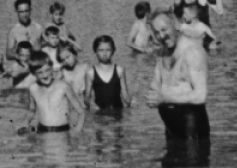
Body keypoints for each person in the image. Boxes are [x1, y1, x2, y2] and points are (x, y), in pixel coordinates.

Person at [146, 11, 209, 144]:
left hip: (192, 129)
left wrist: (164, 98)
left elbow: (201, 96)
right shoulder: (162, 53)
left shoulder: (193, 51)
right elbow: (155, 85)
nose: (161, 36)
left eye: (164, 29)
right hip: (170, 127)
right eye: (157, 33)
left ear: (175, 24)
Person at [22, 50, 86, 133]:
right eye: (40, 72)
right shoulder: (33, 88)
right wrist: (25, 123)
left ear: (52, 67)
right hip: (42, 131)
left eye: (47, 70)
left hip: (62, 131)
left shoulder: (63, 86)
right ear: (33, 73)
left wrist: (78, 129)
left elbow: (81, 111)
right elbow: (31, 110)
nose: (45, 75)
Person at [84, 35, 131, 111]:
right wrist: (91, 103)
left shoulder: (119, 70)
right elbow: (86, 97)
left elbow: (125, 94)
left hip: (118, 112)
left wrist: (129, 102)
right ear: (95, 51)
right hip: (100, 112)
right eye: (101, 50)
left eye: (108, 50)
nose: (105, 54)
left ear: (113, 51)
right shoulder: (90, 72)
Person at [3, 0, 44, 72]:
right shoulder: (13, 31)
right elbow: (8, 54)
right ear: (17, 12)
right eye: (21, 12)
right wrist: (21, 57)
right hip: (21, 69)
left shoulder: (39, 28)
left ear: (30, 10)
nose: (24, 15)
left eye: (26, 11)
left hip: (37, 68)